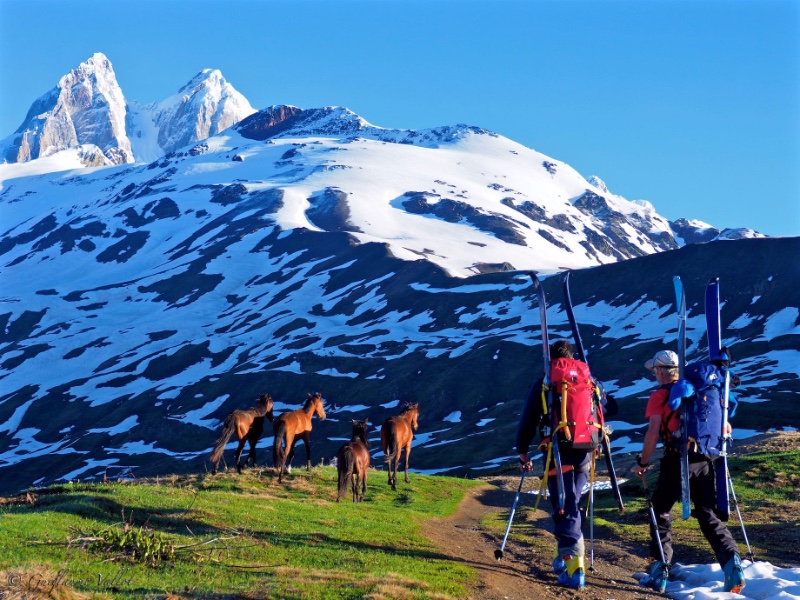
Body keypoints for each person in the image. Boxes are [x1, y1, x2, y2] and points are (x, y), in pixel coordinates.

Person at [632, 349, 745, 594]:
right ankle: (731, 562)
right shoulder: (704, 391)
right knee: (707, 513)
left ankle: (659, 571)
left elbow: (653, 432)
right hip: (704, 458)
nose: (654, 374)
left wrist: (642, 463)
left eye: (655, 370)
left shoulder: (661, 395)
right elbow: (725, 424)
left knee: (660, 511)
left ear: (662, 371)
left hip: (676, 459)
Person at [517, 339, 593, 590]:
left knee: (564, 506)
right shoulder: (587, 380)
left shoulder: (546, 384)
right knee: (572, 503)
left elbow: (529, 419)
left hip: (558, 450)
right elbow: (608, 406)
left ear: (551, 359)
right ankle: (565, 556)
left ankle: (574, 569)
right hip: (586, 450)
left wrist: (522, 451)